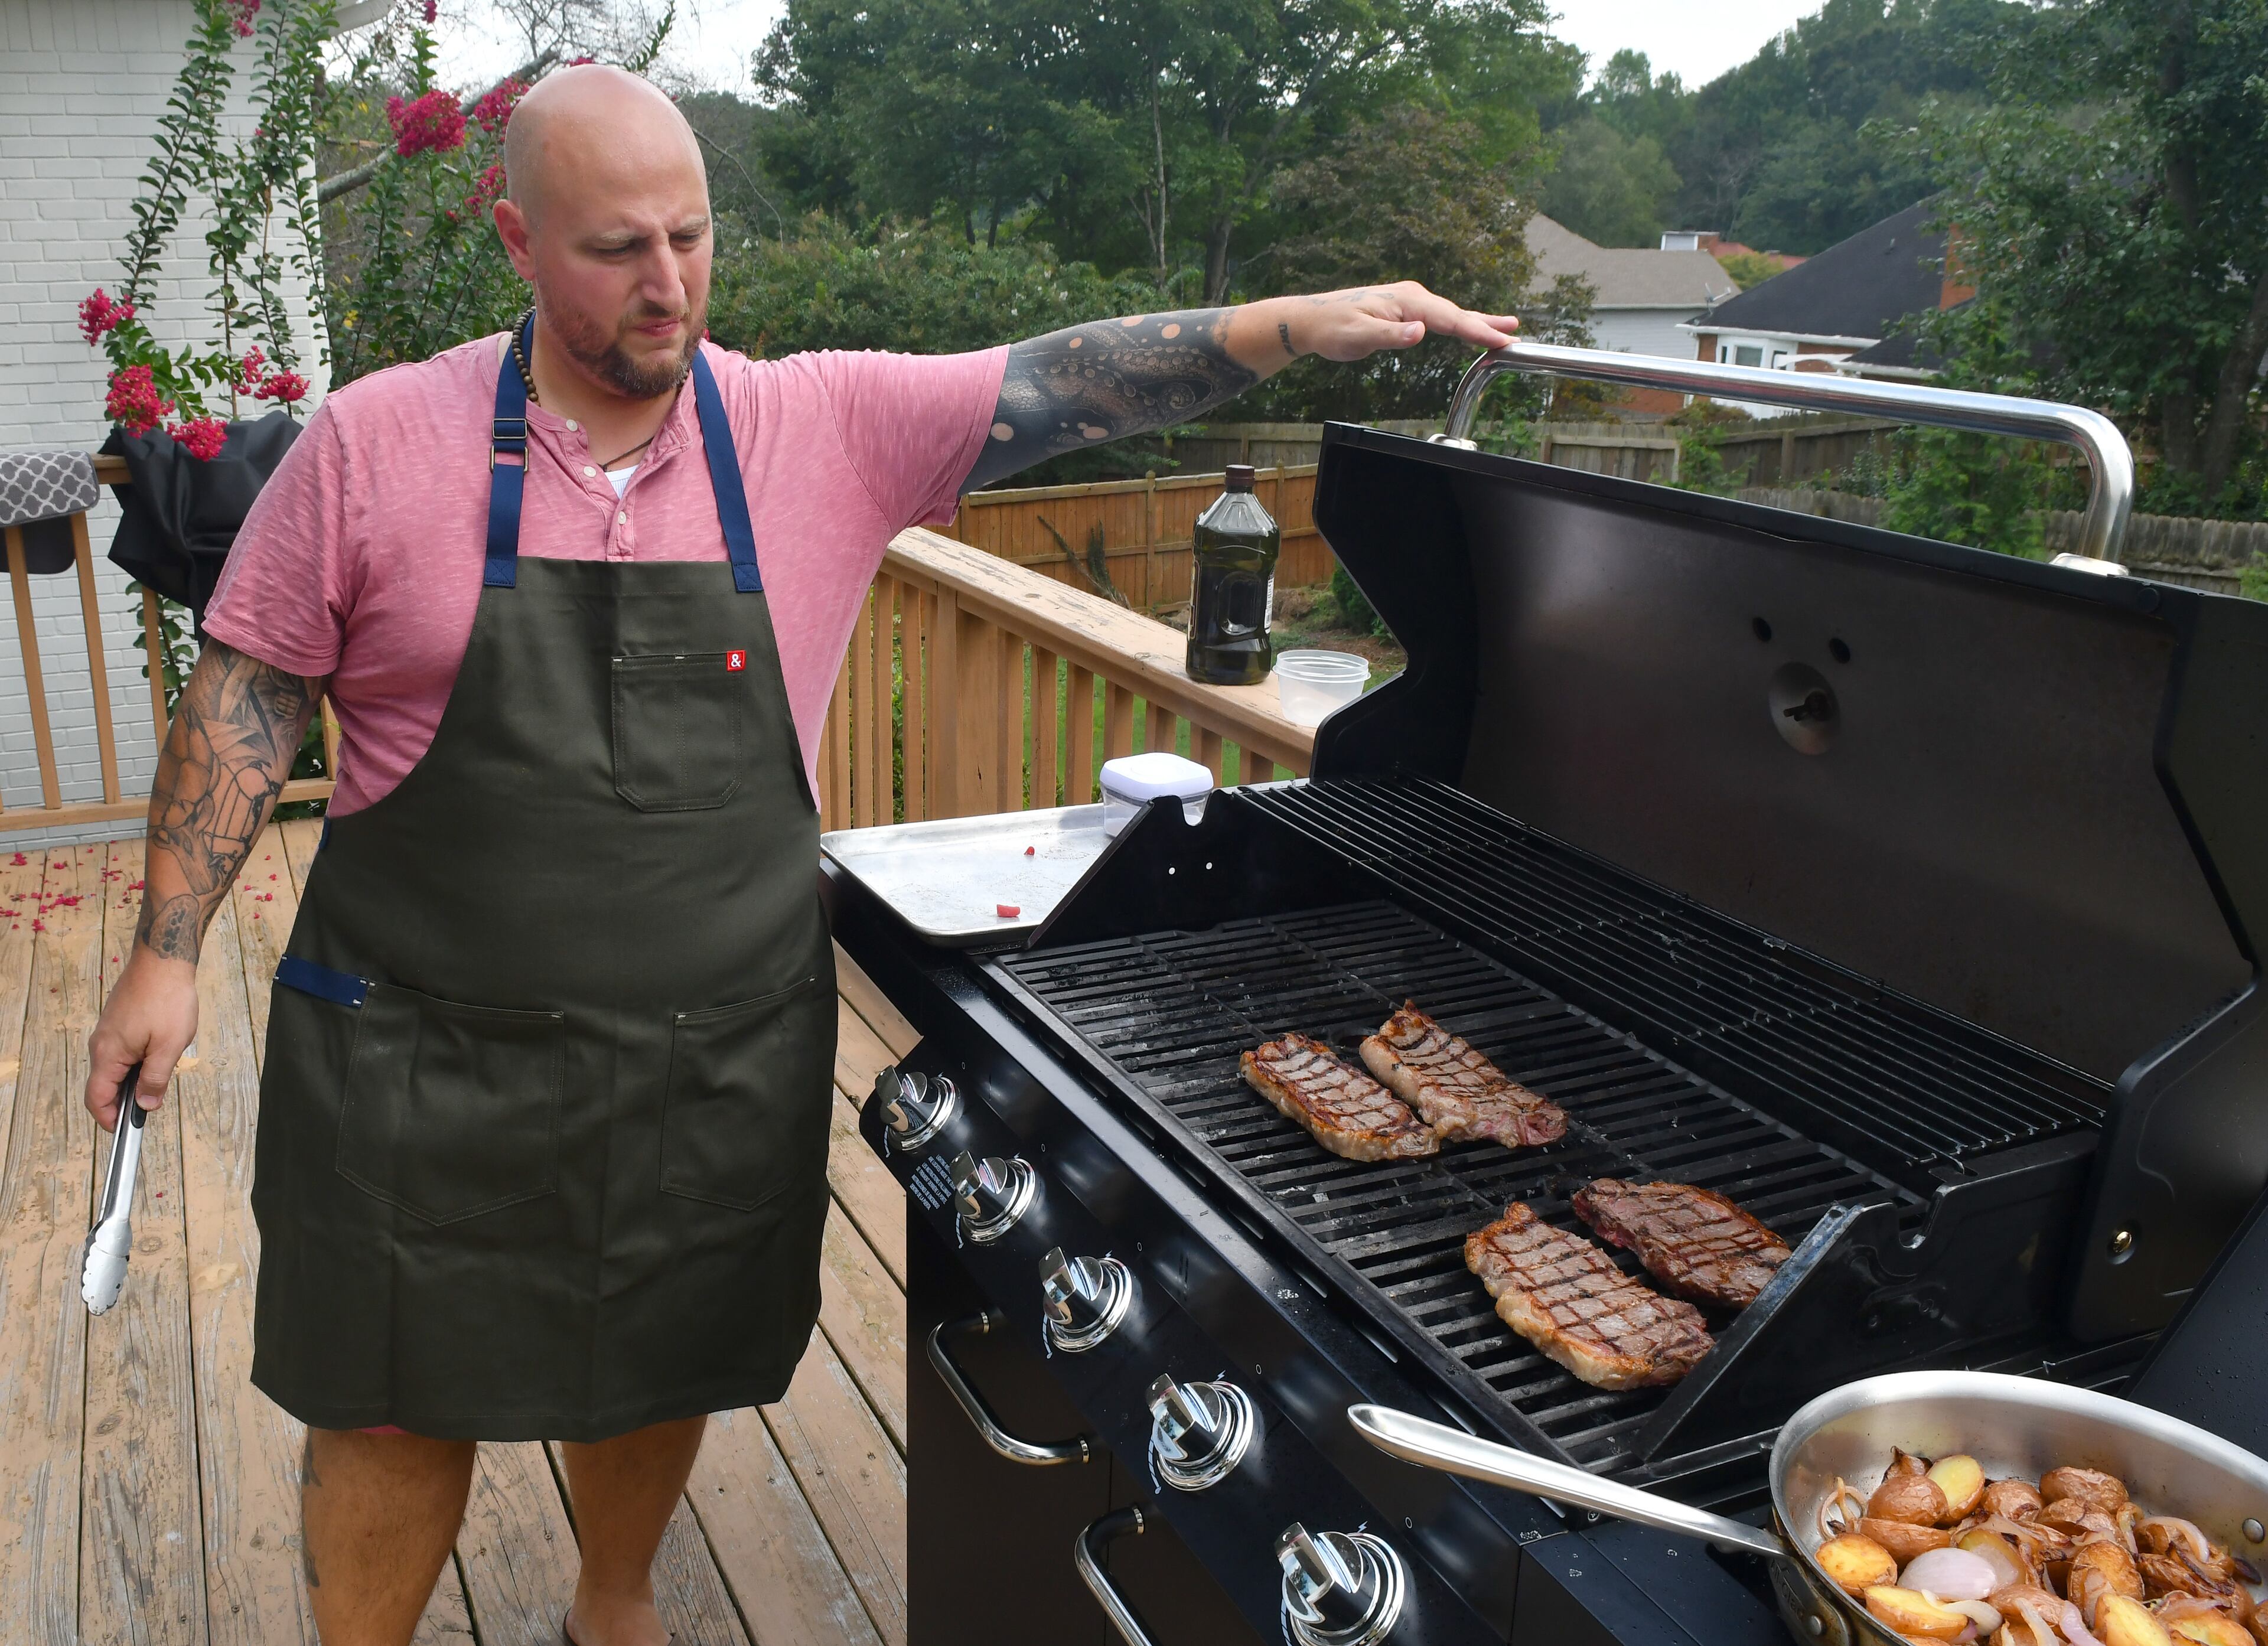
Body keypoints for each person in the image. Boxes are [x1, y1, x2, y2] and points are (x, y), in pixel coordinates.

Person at [81, 62, 1517, 1646]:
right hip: (427, 1053)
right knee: (391, 1404)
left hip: (708, 1049)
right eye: (619, 247)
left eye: (691, 237)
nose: (669, 282)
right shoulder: (371, 444)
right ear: (516, 241)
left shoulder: (812, 425)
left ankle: (612, 1599)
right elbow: (253, 682)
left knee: (665, 1352)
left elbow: (1063, 380)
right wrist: (163, 950)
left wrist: (1294, 325)